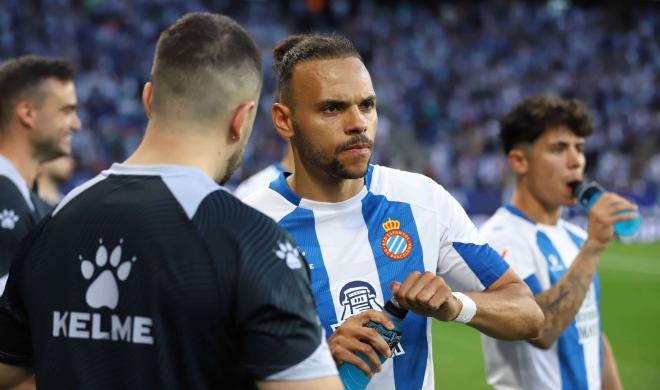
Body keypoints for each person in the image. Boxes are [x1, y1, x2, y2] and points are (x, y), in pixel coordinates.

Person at [0, 13, 341, 390]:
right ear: (241, 120)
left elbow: (9, 375)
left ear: (148, 99)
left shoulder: (52, 223)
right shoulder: (254, 242)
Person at [244, 33, 544, 389]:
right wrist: (315, 361)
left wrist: (456, 305)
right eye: (332, 108)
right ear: (283, 120)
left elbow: (528, 313)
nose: (358, 123)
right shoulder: (247, 227)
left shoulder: (422, 201)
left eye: (367, 105)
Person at [479, 96, 630, 390]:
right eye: (559, 148)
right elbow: (541, 329)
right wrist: (594, 247)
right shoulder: (498, 238)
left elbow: (592, 336)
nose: (576, 161)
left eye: (580, 148)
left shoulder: (574, 237)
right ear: (519, 160)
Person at [0, 55, 80, 294]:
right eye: (67, 111)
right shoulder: (5, 194)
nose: (76, 125)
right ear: (27, 113)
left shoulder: (27, 199)